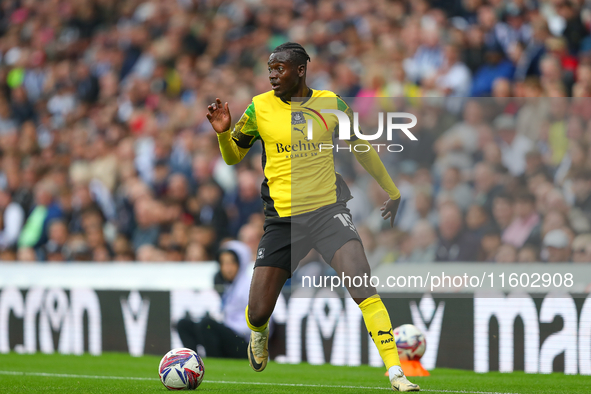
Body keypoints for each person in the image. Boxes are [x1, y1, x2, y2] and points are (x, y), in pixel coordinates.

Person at [206, 42, 419, 391]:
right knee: (258, 311)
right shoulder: (259, 108)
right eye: (270, 69)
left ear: (301, 69)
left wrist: (393, 192)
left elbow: (362, 148)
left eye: (280, 68)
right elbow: (232, 158)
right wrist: (224, 134)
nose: (273, 74)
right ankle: (257, 334)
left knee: (362, 282)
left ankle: (396, 372)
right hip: (282, 220)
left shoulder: (331, 104)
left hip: (327, 211)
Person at [176, 240, 251, 358]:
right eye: (223, 263)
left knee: (207, 324)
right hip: (228, 335)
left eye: (231, 263)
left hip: (245, 343)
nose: (227, 268)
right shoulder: (228, 286)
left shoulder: (249, 285)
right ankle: (191, 361)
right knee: (183, 324)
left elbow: (265, 322)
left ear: (241, 263)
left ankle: (214, 363)